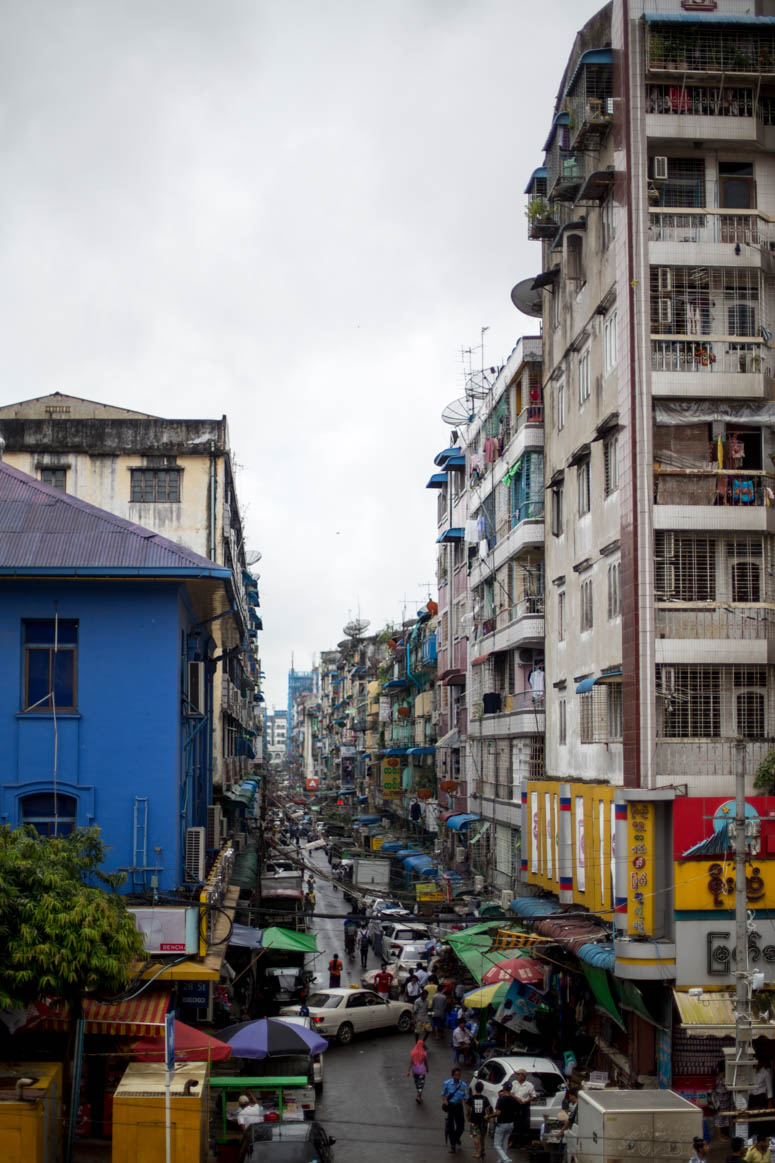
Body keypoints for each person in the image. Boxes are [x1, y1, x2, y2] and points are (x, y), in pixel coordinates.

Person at [442, 1067, 469, 1154]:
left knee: (461, 1127)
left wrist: (467, 1110)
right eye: (456, 1075)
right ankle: (452, 1146)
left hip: (459, 1106)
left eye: (459, 1075)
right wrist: (445, 1101)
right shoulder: (447, 1083)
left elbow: (465, 1098)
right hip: (450, 1106)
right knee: (450, 1127)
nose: (457, 1077)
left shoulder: (463, 1085)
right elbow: (443, 1094)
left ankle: (456, 1138)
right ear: (452, 1075)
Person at [493, 1081, 520, 1163]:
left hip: (502, 1124)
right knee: (504, 1143)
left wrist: (489, 1116)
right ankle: (501, 1160)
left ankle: (506, 1160)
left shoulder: (501, 1098)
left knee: (497, 1144)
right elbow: (517, 1111)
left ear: (504, 1088)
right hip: (511, 1123)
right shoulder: (514, 1099)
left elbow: (498, 1113)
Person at [466, 1080, 493, 1160]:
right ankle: (482, 1150)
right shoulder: (485, 1099)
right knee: (482, 1137)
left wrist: (467, 1116)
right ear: (482, 1089)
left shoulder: (471, 1098)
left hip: (473, 1120)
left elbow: (468, 1109)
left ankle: (477, 1153)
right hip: (483, 1121)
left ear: (475, 1088)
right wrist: (488, 1118)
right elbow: (487, 1109)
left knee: (475, 1137)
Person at [512, 1068, 536, 1147]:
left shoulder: (529, 1085)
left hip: (525, 1105)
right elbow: (511, 1093)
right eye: (517, 1075)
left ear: (523, 1076)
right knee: (515, 1123)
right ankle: (514, 1142)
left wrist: (526, 1101)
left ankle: (523, 1143)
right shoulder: (514, 1083)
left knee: (524, 1124)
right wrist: (516, 1098)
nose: (517, 1076)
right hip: (515, 1105)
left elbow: (533, 1096)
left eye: (519, 1075)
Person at [749, 1059, 773, 1136]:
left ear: (761, 1063)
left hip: (761, 1098)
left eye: (757, 1061)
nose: (755, 1063)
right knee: (752, 1117)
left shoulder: (766, 1073)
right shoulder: (752, 1071)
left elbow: (769, 1089)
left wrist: (770, 1103)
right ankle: (754, 1136)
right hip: (752, 1098)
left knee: (761, 1118)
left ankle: (761, 1135)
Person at [407, 1036, 429, 1104]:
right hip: (421, 1071)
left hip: (415, 1071)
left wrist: (408, 1071)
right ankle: (418, 1096)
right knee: (421, 1084)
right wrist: (427, 1069)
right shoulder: (423, 1053)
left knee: (417, 1083)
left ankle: (418, 1095)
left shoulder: (413, 1053)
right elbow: (425, 1062)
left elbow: (411, 1062)